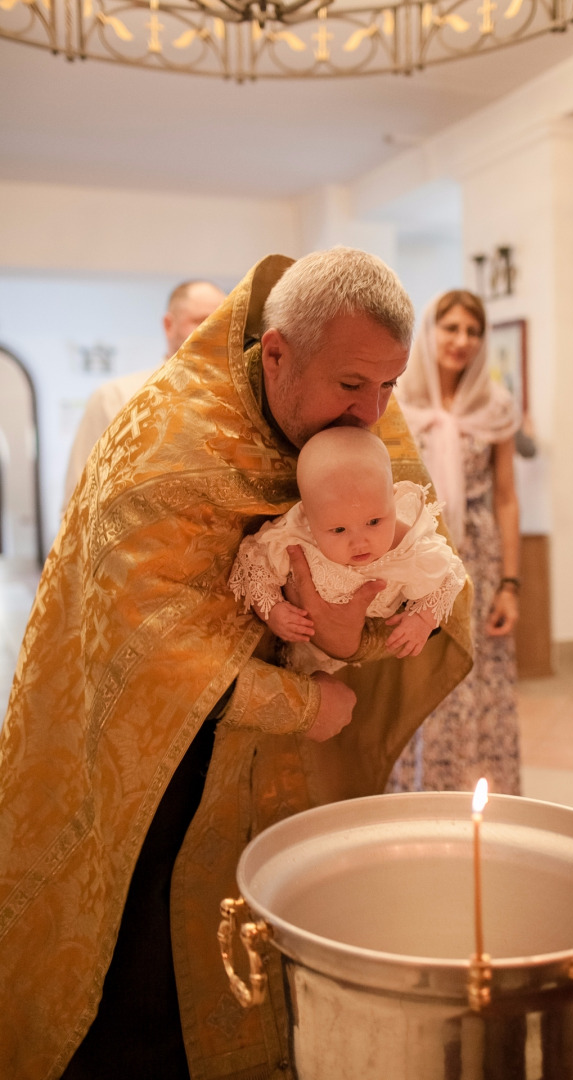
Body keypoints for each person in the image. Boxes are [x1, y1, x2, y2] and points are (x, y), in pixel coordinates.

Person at [0, 248, 473, 1080]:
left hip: (278, 760)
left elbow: (401, 558)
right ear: (281, 353)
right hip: (155, 760)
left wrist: (353, 624)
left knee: (278, 930)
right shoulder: (163, 436)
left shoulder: (365, 409)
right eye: (353, 386)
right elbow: (146, 636)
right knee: (149, 968)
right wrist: (302, 705)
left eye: (390, 386)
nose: (374, 412)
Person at [387, 288, 522, 796]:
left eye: (473, 331)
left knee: (479, 679)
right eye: (451, 328)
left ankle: (479, 794)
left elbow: (506, 499)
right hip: (414, 558)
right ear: (430, 332)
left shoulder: (496, 407)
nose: (461, 340)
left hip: (478, 560)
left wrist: (510, 583)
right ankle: (418, 796)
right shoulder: (397, 403)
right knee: (419, 668)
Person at [229, 426, 466, 674]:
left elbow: (446, 575)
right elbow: (255, 563)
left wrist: (422, 619)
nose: (360, 542)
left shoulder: (408, 545)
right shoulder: (296, 535)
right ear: (308, 517)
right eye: (339, 530)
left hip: (363, 657)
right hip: (296, 647)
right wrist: (273, 610)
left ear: (392, 501)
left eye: (374, 522)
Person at [63, 279, 226, 506]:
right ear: (169, 325)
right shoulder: (115, 397)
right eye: (200, 320)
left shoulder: (234, 401)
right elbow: (77, 502)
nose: (213, 330)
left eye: (222, 321)